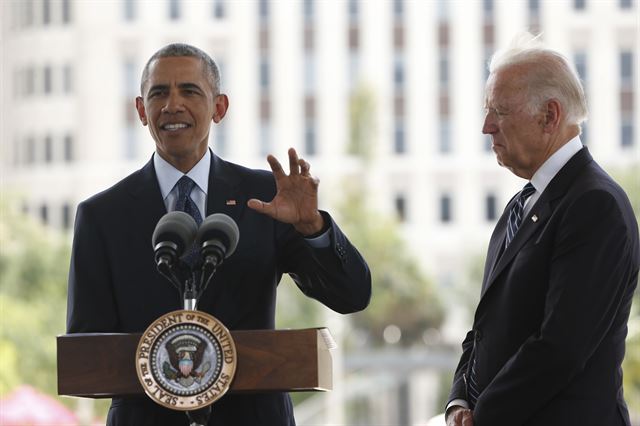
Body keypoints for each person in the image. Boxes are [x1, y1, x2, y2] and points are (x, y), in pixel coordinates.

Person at [66, 43, 372, 426]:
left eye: (189, 91)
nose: (172, 105)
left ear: (219, 107)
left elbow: (353, 295)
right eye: (159, 93)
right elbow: (85, 353)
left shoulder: (266, 198)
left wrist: (312, 227)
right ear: (142, 111)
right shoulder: (101, 216)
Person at [446, 34, 639, 426]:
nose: (487, 127)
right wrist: (458, 403)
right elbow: (483, 330)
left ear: (550, 115)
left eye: (499, 111)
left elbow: (560, 348)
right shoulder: (521, 204)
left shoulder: (595, 205)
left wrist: (481, 417)